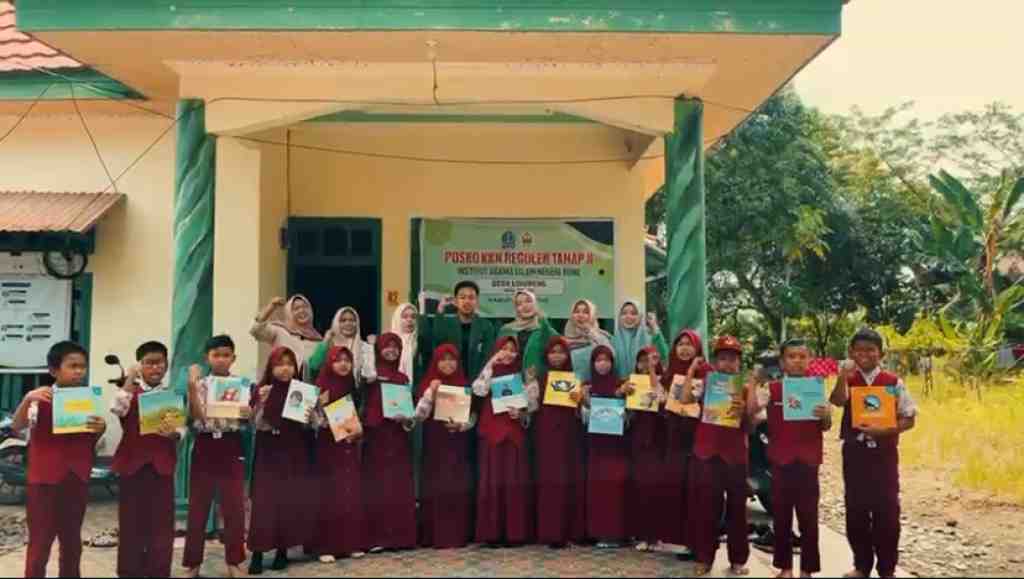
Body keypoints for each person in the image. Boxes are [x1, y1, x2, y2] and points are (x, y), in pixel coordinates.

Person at [829, 328, 918, 579]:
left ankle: (887, 569)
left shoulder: (893, 382)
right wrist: (842, 377)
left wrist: (887, 430)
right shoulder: (849, 379)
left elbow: (909, 418)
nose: (865, 355)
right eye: (859, 350)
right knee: (856, 511)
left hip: (884, 456)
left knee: (887, 512)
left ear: (881, 354)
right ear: (851, 353)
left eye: (870, 350)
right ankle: (861, 566)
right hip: (854, 454)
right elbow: (837, 401)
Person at [14, 341, 107, 578]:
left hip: (76, 477)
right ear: (54, 370)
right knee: (40, 543)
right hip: (44, 480)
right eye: (72, 366)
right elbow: (17, 427)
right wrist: (27, 399)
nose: (79, 371)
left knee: (72, 542)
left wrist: (101, 428)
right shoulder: (39, 398)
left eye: (82, 366)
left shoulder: (88, 400)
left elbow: (89, 440)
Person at [748, 338, 832, 578]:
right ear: (783, 362)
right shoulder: (773, 389)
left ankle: (807, 570)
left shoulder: (816, 388)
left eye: (802, 356)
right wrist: (753, 382)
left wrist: (826, 414)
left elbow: (826, 425)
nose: (797, 361)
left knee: (809, 519)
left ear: (810, 361)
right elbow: (752, 411)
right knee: (782, 517)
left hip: (808, 462)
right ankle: (785, 569)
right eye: (791, 357)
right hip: (780, 462)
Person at [110, 341, 181, 578]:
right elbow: (117, 409)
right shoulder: (129, 392)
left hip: (162, 466)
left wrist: (174, 434)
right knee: (131, 523)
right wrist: (130, 378)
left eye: (160, 363)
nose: (155, 368)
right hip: (132, 465)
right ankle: (129, 571)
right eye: (149, 363)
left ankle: (158, 571)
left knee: (161, 524)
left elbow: (181, 430)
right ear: (140, 365)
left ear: (166, 365)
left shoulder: (171, 395)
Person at [183, 335, 251, 579]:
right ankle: (192, 564)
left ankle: (235, 562)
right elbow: (197, 418)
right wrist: (192, 387)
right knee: (198, 508)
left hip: (231, 446)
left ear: (233, 357)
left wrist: (249, 412)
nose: (221, 359)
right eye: (216, 355)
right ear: (207, 358)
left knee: (234, 509)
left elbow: (248, 420)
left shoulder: (243, 384)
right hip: (205, 446)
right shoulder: (200, 384)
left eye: (226, 355)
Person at [682, 336, 751, 576]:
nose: (727, 364)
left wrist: (745, 410)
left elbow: (751, 425)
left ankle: (738, 560)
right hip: (707, 453)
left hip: (736, 456)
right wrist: (691, 370)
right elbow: (684, 399)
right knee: (707, 508)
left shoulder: (745, 388)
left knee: (737, 509)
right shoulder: (706, 383)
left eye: (732, 359)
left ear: (739, 363)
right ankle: (704, 558)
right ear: (715, 362)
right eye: (722, 359)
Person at [247, 347, 313, 574]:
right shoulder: (262, 389)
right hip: (268, 450)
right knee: (264, 501)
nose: (285, 369)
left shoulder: (301, 391)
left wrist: (312, 413)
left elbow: (308, 425)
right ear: (270, 367)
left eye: (289, 364)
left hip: (292, 450)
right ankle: (257, 553)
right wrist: (262, 402)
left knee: (287, 500)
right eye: (279, 364)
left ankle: (282, 552)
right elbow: (255, 424)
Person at [472, 336, 540, 547]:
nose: (508, 353)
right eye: (503, 348)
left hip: (513, 435)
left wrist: (520, 413)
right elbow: (479, 390)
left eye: (512, 350)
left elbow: (532, 405)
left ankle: (514, 533)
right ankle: (492, 534)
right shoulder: (490, 371)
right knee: (492, 482)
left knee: (513, 483)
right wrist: (492, 363)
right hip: (492, 433)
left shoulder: (521, 373)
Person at [411, 344, 477, 549]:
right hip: (436, 444)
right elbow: (419, 415)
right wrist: (431, 392)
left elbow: (473, 416)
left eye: (452, 359)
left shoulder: (464, 384)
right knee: (436, 484)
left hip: (458, 445)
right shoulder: (428, 383)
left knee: (456, 485)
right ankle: (435, 535)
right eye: (443, 359)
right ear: (435, 362)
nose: (448, 364)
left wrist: (462, 426)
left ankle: (457, 534)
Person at [361, 333, 418, 552]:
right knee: (377, 485)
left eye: (396, 347)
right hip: (376, 437)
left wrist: (407, 420)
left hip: (398, 437)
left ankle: (400, 538)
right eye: (387, 346)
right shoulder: (371, 375)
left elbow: (409, 412)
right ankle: (376, 538)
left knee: (398, 485)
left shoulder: (403, 378)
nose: (392, 350)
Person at [659, 329, 713, 556]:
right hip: (674, 436)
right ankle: (678, 537)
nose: (684, 348)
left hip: (698, 436)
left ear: (698, 348)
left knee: (696, 489)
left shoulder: (707, 372)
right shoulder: (669, 372)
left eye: (689, 344)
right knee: (676, 486)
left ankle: (695, 541)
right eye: (680, 344)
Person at [311, 346, 366, 562]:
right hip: (328, 446)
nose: (343, 364)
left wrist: (356, 431)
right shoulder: (321, 387)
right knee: (329, 493)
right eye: (338, 360)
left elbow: (357, 416)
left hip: (348, 445)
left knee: (349, 491)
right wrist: (323, 420)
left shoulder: (352, 386)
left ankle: (350, 544)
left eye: (347, 360)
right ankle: (326, 547)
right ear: (329, 363)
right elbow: (314, 419)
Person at [533, 336, 586, 549]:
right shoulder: (540, 378)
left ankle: (571, 530)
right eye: (552, 352)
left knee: (569, 479)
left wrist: (580, 400)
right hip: (547, 437)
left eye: (561, 352)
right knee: (550, 482)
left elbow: (581, 413)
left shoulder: (575, 379)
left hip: (569, 437)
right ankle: (551, 532)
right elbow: (532, 406)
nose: (556, 356)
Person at [581, 345, 630, 548]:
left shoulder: (622, 384)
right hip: (595, 446)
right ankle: (598, 533)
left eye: (607, 360)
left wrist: (624, 407)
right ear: (592, 363)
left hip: (616, 446)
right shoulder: (586, 386)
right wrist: (584, 400)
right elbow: (582, 416)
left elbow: (631, 414)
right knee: (597, 488)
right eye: (598, 360)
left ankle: (617, 534)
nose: (603, 364)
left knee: (615, 487)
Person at [625, 345, 667, 552]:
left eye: (651, 360)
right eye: (642, 361)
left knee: (655, 488)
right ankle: (642, 535)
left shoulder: (664, 382)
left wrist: (651, 371)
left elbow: (662, 400)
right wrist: (624, 393)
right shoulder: (631, 382)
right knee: (639, 487)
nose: (646, 364)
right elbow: (626, 413)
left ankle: (655, 536)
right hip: (637, 441)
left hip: (657, 442)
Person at [428, 281, 498, 381]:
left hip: (479, 380)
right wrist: (441, 308)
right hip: (452, 381)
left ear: (477, 301)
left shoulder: (486, 326)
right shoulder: (448, 324)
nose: (467, 301)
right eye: (462, 297)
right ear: (456, 301)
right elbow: (437, 340)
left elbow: (487, 356)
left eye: (471, 298)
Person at [250, 295, 323, 378]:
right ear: (289, 312)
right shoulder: (280, 331)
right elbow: (255, 330)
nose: (302, 311)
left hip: (306, 385)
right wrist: (271, 307)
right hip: (280, 382)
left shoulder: (319, 340)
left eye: (305, 307)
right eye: (296, 308)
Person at [307, 306, 376, 384]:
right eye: (343, 320)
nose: (348, 323)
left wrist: (373, 348)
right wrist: (325, 341)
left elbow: (370, 376)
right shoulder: (328, 344)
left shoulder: (364, 346)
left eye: (352, 320)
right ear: (336, 323)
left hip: (355, 390)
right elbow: (314, 366)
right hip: (329, 389)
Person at [498, 290, 558, 377]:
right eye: (519, 304)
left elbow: (559, 356)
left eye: (528, 301)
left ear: (535, 304)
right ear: (516, 308)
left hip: (537, 381)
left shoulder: (546, 329)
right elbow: (498, 359)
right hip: (510, 381)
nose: (525, 306)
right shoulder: (506, 330)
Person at [610, 299, 668, 379]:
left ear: (640, 316)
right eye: (624, 313)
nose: (628, 316)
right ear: (619, 317)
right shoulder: (613, 341)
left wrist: (654, 327)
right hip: (621, 384)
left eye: (633, 313)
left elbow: (664, 356)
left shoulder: (649, 338)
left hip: (645, 383)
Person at [563, 299, 612, 381]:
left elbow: (610, 354)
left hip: (595, 385)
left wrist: (590, 332)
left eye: (585, 312)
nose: (580, 315)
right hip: (570, 385)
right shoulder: (565, 339)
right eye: (576, 312)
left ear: (592, 315)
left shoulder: (600, 337)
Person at [390, 302, 432, 383]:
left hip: (416, 387)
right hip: (392, 386)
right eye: (405, 317)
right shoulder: (389, 341)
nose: (410, 320)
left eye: (413, 317)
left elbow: (427, 368)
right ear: (397, 319)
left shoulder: (421, 341)